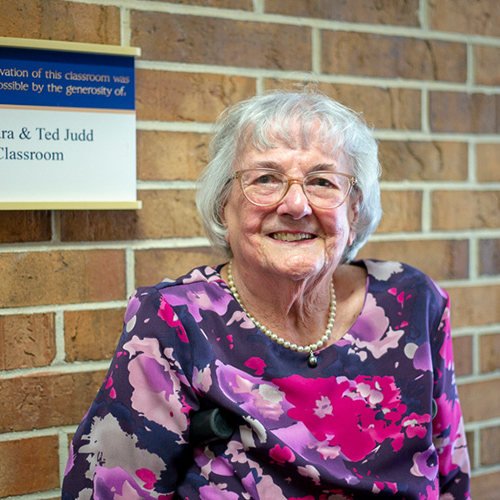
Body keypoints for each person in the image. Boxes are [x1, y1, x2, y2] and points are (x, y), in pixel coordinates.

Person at [62, 90, 471, 499]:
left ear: (355, 209)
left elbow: (452, 477)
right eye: (265, 179)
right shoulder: (175, 322)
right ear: (225, 205)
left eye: (322, 181)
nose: (295, 204)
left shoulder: (413, 302)